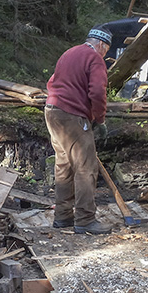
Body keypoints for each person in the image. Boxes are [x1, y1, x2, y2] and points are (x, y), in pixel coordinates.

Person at [44, 25, 113, 235]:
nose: (105, 54)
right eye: (106, 50)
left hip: (52, 111)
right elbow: (98, 91)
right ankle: (85, 220)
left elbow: (52, 82)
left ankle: (63, 217)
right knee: (85, 168)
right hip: (72, 115)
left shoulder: (69, 53)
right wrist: (99, 119)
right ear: (101, 44)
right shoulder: (94, 58)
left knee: (64, 165)